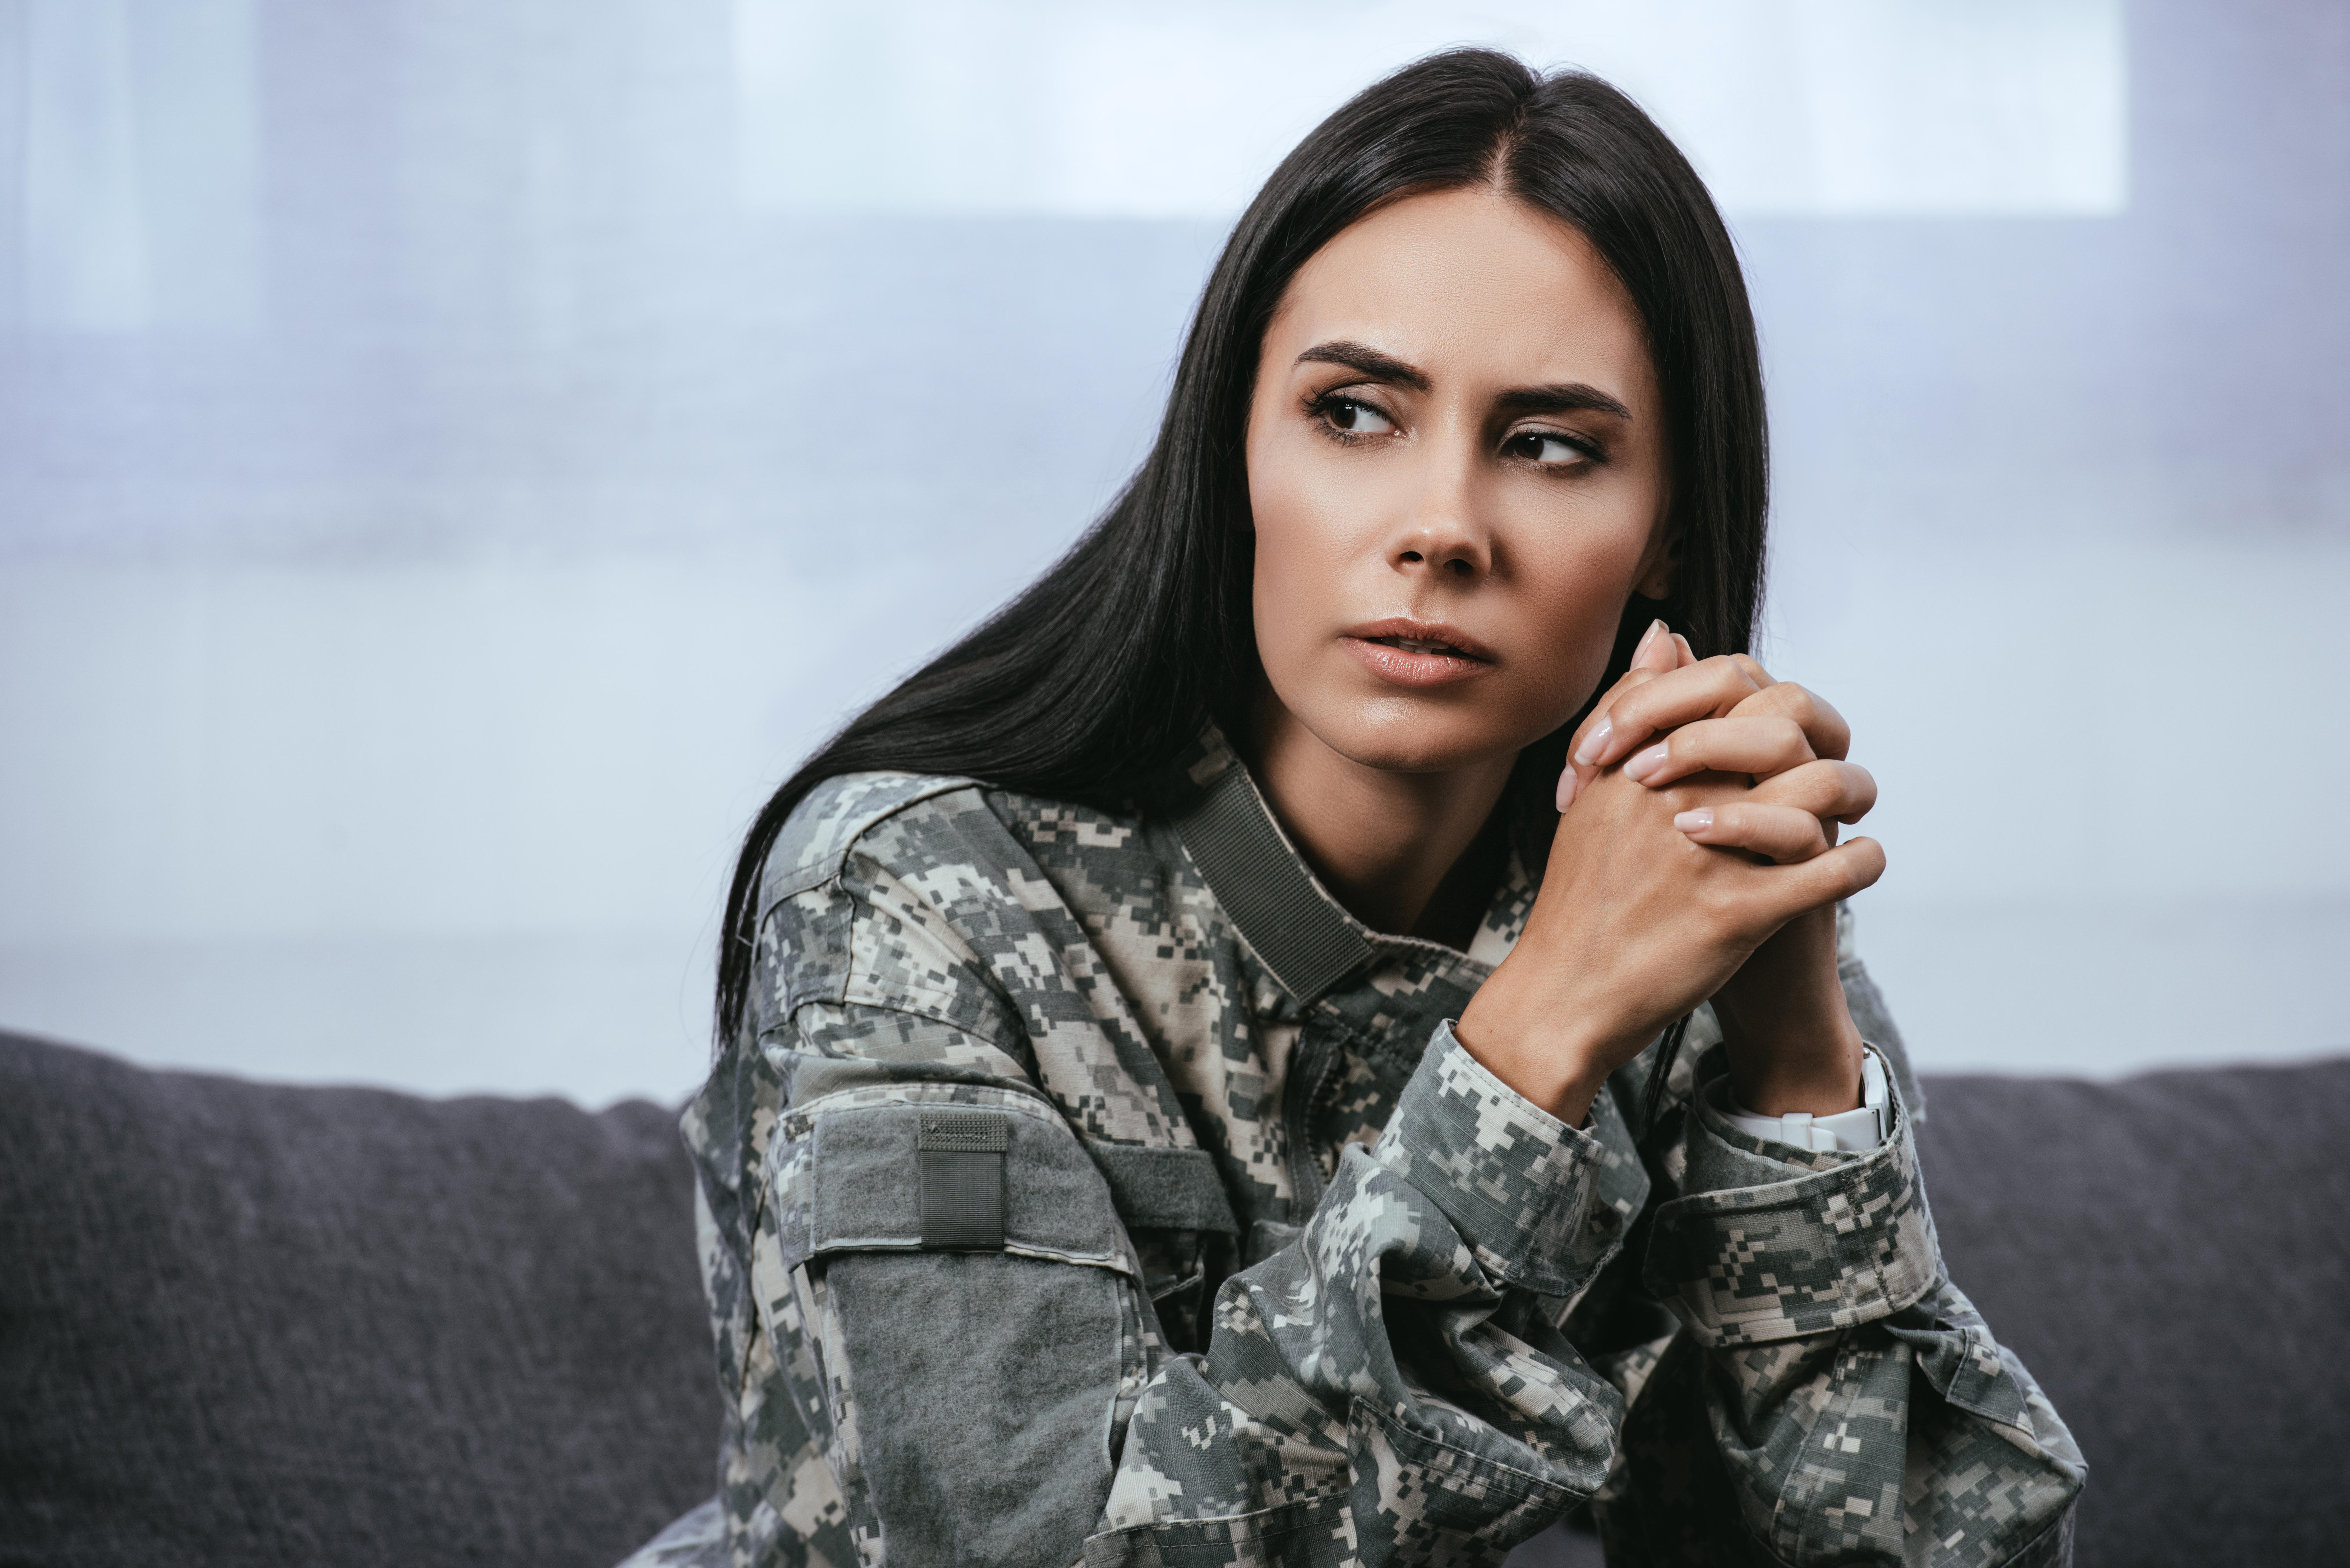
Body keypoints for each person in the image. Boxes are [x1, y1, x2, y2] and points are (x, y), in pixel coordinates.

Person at [623, 49, 2084, 1568]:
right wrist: (1534, 1048)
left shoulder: (1679, 915)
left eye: (1549, 446)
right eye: (1355, 414)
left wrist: (1790, 1070)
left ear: (1670, 533)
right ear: (1234, 447)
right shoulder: (922, 896)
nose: (1442, 527)